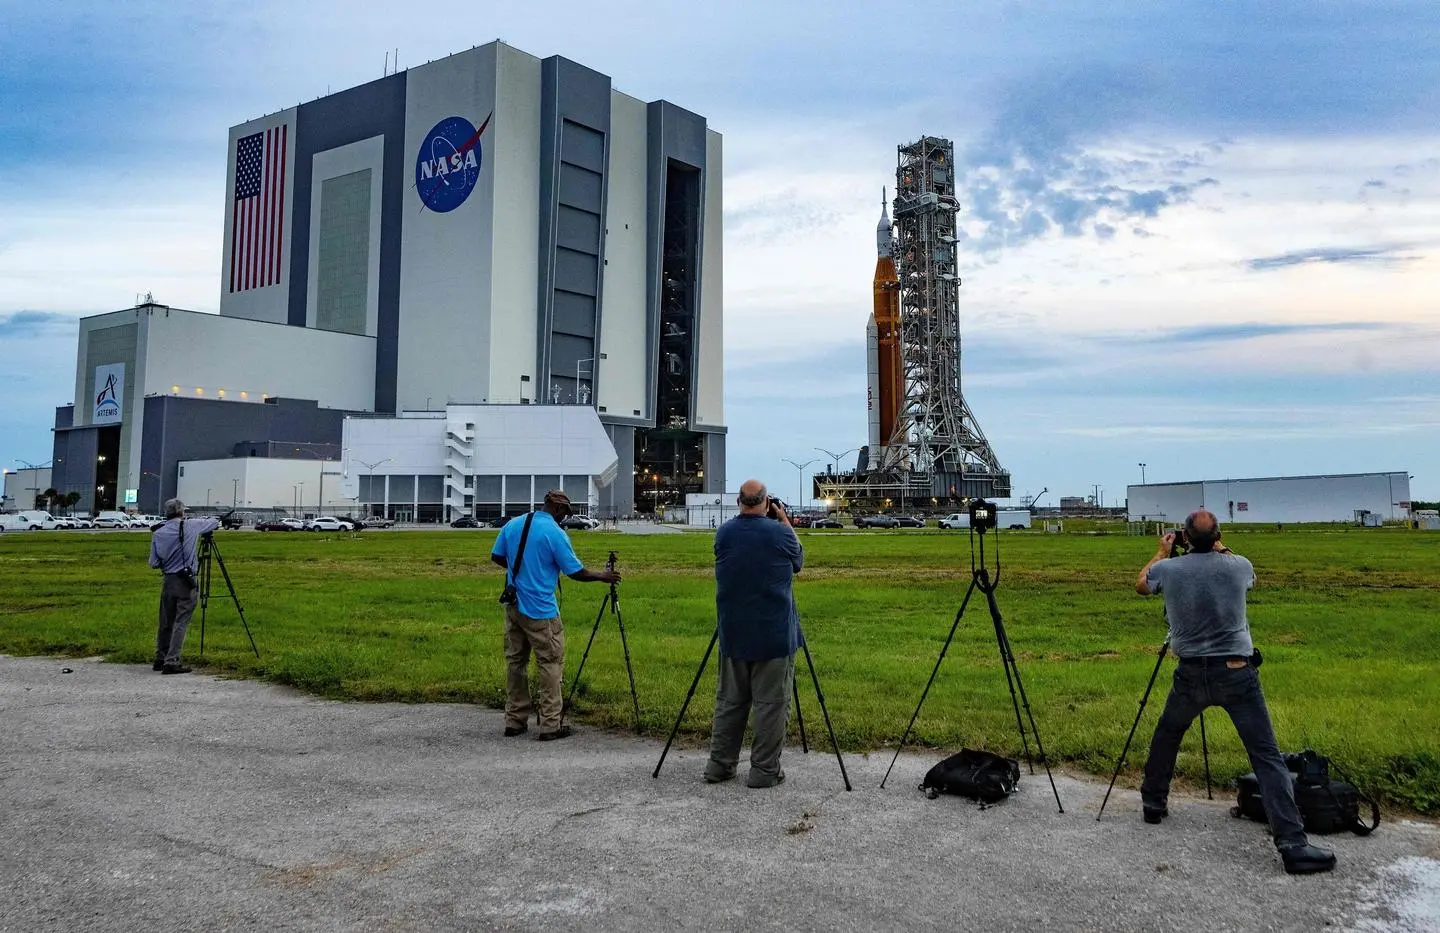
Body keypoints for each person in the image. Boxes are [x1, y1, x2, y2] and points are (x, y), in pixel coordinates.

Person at [1135, 509, 1335, 875]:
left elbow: (1141, 584)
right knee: (1266, 756)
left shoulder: (1169, 570)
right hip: (1237, 673)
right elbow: (1243, 573)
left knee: (1167, 735)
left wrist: (1163, 552)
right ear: (1218, 537)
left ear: (1183, 537)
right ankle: (1292, 843)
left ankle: (1153, 802)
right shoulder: (1239, 566)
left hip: (1191, 672)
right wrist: (1219, 546)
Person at [489, 490, 620, 741]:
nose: (565, 518)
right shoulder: (555, 534)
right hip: (541, 611)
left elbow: (496, 556)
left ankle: (514, 720)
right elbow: (574, 571)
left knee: (516, 663)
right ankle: (550, 724)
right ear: (559, 509)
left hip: (514, 605)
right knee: (550, 663)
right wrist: (602, 576)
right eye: (566, 513)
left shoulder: (514, 524)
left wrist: (522, 569)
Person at [705, 479, 803, 788]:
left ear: (739, 501)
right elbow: (798, 559)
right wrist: (783, 518)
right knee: (771, 706)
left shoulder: (724, 534)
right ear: (766, 502)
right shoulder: (780, 533)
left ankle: (719, 766)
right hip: (773, 636)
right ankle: (763, 770)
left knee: (730, 703)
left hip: (733, 633)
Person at [148, 499, 221, 675]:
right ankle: (172, 661)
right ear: (181, 512)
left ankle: (160, 657)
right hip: (186, 580)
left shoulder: (159, 532)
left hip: (168, 580)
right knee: (181, 621)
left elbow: (153, 562)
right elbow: (213, 523)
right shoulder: (190, 526)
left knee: (166, 621)